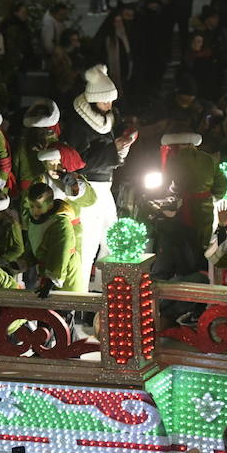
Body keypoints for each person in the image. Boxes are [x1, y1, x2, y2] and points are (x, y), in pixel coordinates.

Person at [64, 65, 130, 288]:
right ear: (93, 99)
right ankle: (79, 296)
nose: (109, 106)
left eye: (111, 101)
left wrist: (121, 146)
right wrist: (113, 150)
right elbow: (80, 162)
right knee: (87, 245)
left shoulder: (110, 119)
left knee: (112, 239)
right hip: (87, 189)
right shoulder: (77, 125)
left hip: (105, 187)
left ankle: (108, 292)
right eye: (105, 102)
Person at [24, 182, 84, 296]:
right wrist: (24, 261)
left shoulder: (60, 224)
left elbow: (62, 253)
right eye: (31, 206)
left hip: (65, 280)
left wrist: (51, 281)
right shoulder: (35, 221)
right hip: (45, 277)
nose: (34, 211)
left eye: (38, 207)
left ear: (50, 204)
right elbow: (32, 245)